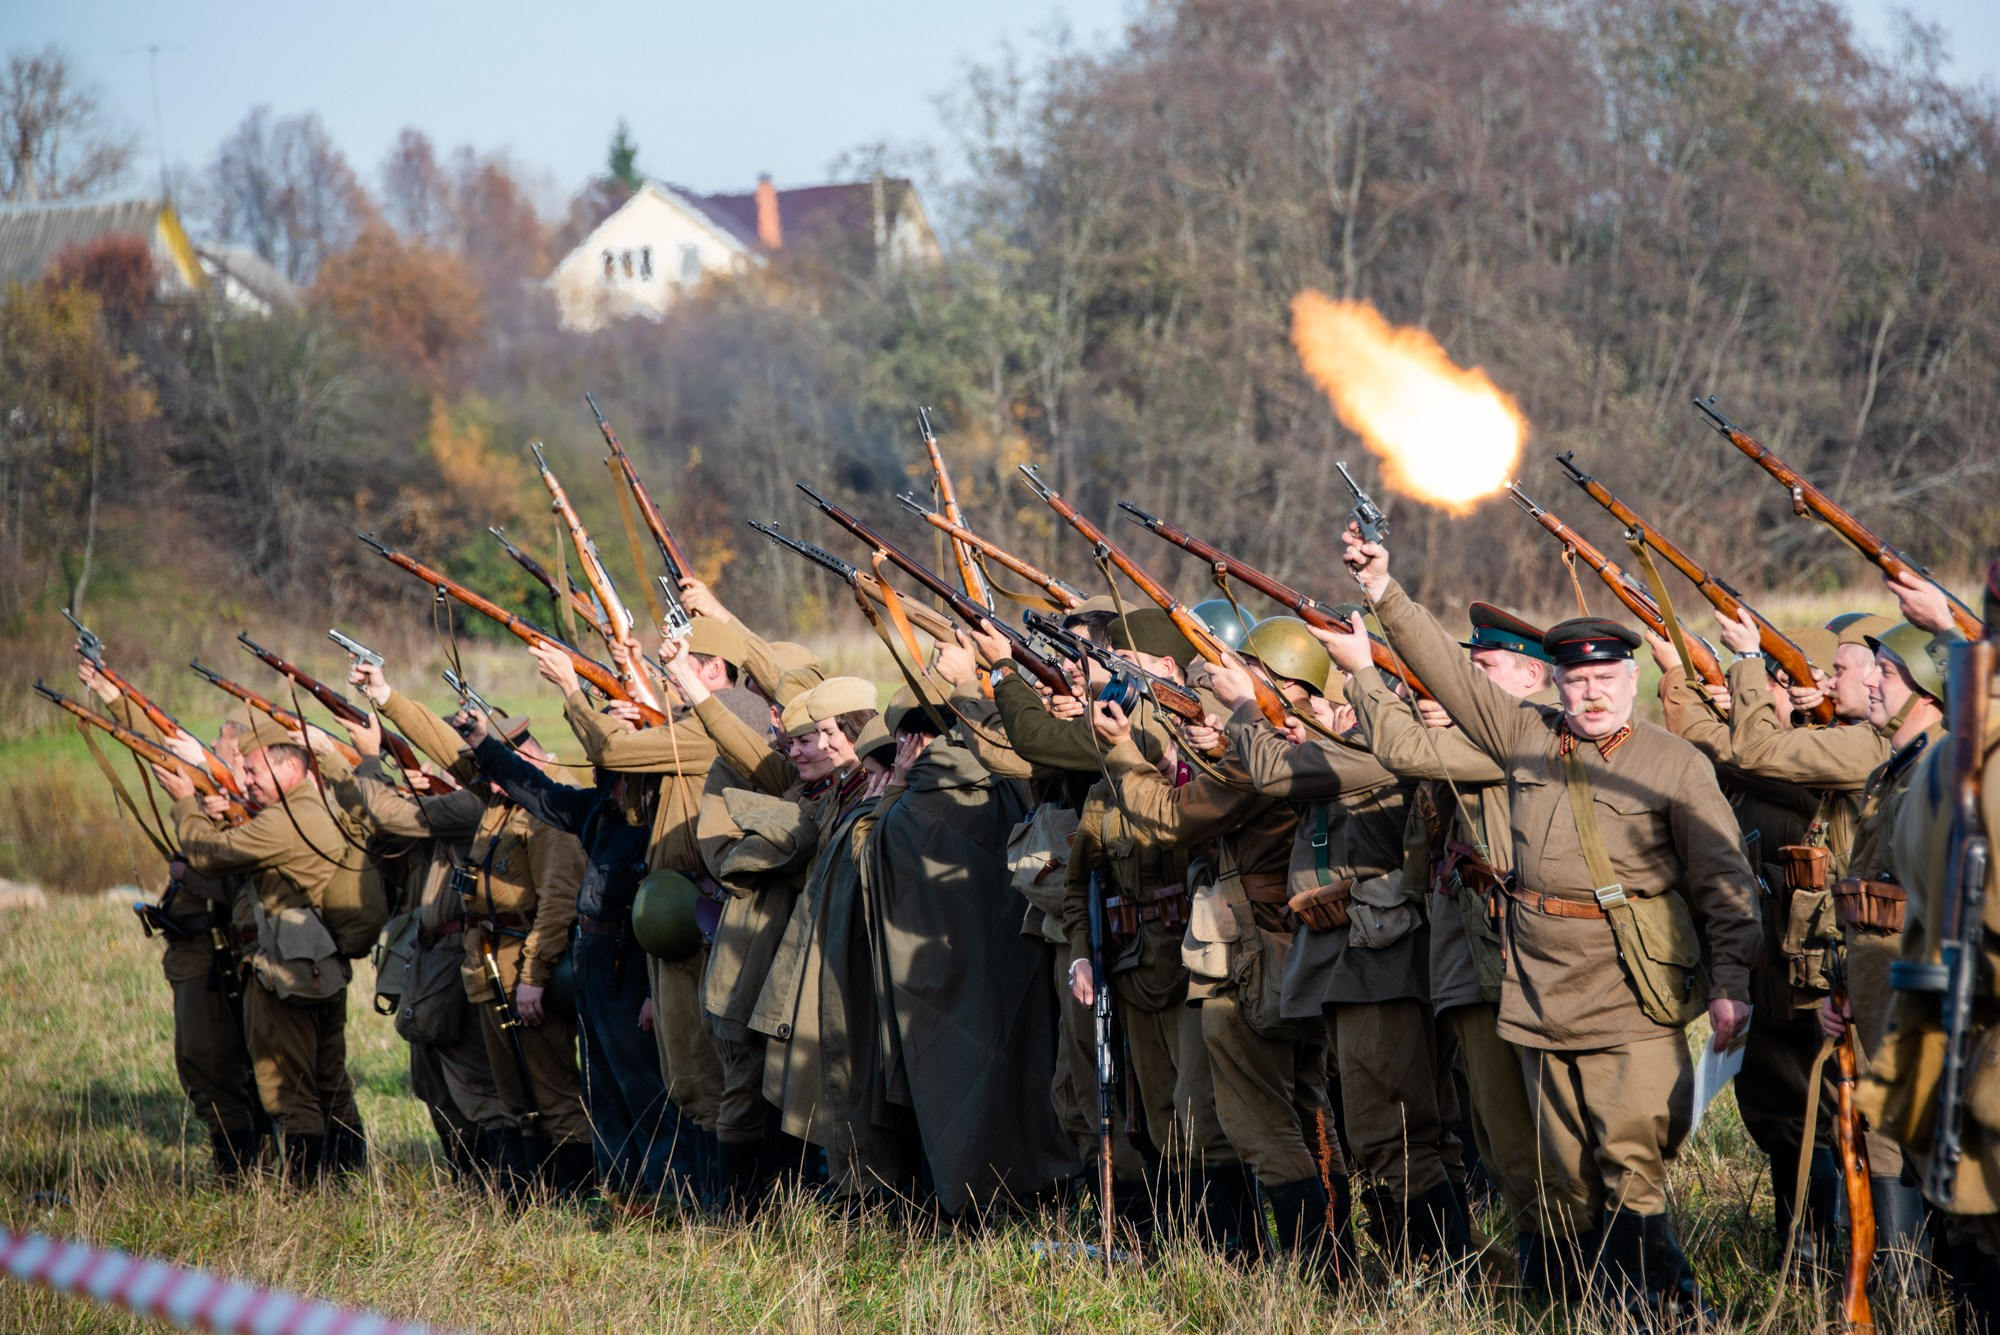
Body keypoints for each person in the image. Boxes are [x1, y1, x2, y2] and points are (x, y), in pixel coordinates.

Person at [1351, 524, 1759, 1322]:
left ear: (1632, 680)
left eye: (1607, 678)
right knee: (1562, 1170)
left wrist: (1732, 983)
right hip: (1540, 994)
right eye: (1578, 682)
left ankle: (1651, 1307)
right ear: (1557, 687)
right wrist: (1383, 594)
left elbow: (1724, 883)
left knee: (1631, 1163)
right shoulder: (1525, 735)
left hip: (1630, 988)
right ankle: (1592, 1307)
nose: (1592, 694)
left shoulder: (1675, 763)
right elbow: (1453, 680)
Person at [1316, 603, 1576, 1291]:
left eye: (1481, 668)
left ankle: (1584, 1272)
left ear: (1531, 677)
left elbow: (1401, 750)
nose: (1460, 680)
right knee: (1496, 1133)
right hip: (1470, 956)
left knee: (1549, 1137)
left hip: (1528, 957)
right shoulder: (1463, 743)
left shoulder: (1529, 733)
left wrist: (1366, 675)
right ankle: (1542, 1269)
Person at [155, 716, 369, 1185]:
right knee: (329, 1082)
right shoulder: (309, 808)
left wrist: (186, 804)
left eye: (253, 771)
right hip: (316, 965)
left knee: (287, 1090)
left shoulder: (285, 820)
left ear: (289, 770)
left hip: (284, 970)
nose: (245, 779)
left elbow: (209, 854)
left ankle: (307, 1194)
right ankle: (348, 1181)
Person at [78, 664, 265, 1182]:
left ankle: (247, 1167)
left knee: (232, 1064)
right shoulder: (212, 801)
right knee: (203, 1063)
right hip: (198, 952)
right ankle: (239, 1162)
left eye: (226, 749)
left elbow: (233, 879)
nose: (209, 751)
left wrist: (193, 851)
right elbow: (159, 737)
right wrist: (113, 697)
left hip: (228, 951)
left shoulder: (252, 816)